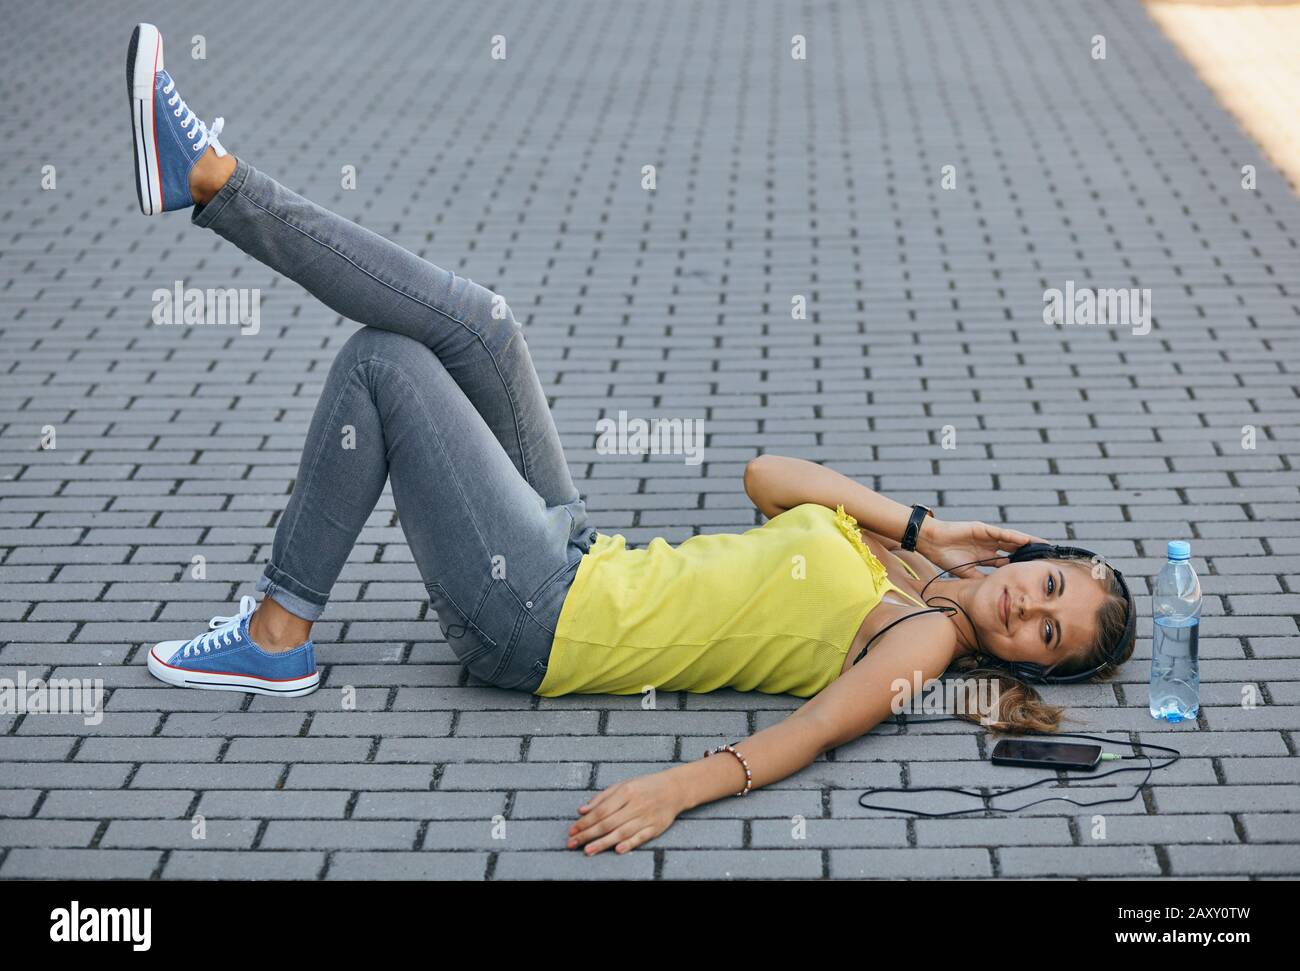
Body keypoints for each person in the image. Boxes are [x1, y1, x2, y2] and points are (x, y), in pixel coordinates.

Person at [128, 23, 1135, 855]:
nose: (1025, 608)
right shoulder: (913, 566)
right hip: (576, 553)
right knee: (481, 323)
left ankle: (275, 633)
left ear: (1032, 665)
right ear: (1031, 556)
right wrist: (928, 522)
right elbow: (766, 475)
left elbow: (813, 731)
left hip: (537, 618)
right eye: (1048, 584)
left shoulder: (921, 639)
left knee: (384, 364)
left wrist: (678, 789)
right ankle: (211, 181)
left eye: (1047, 635)